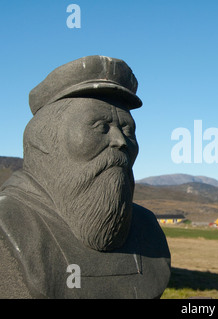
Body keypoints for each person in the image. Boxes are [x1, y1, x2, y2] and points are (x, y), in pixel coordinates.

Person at [0, 55, 171, 298]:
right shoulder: (8, 222)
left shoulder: (146, 227)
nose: (121, 141)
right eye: (101, 127)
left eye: (127, 129)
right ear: (45, 139)